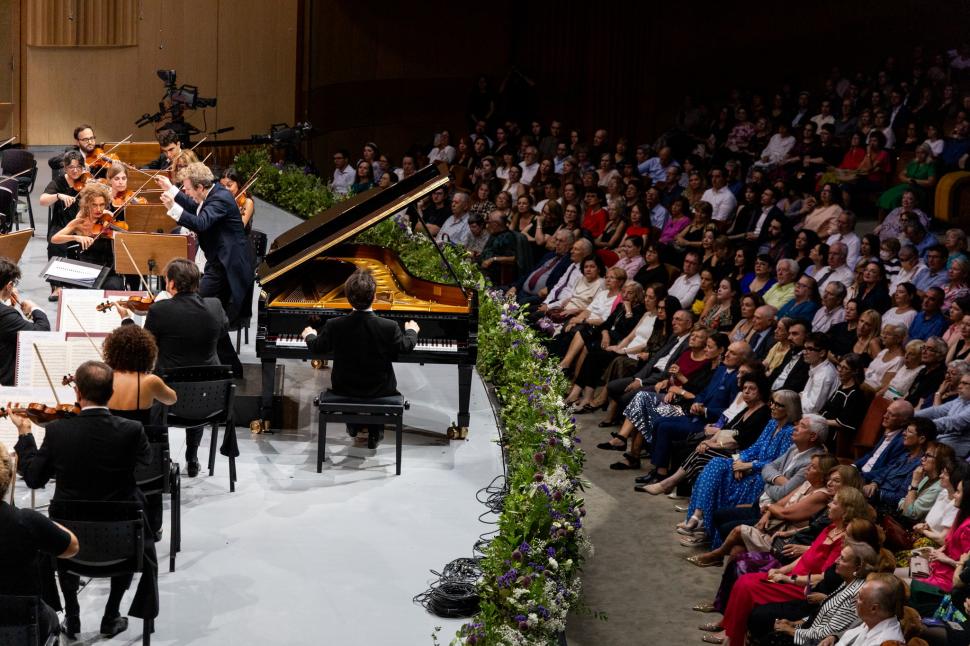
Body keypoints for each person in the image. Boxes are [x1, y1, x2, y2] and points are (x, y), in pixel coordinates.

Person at [11, 361, 156, 639]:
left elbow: (33, 479)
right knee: (133, 519)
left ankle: (73, 617)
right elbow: (145, 463)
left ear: (77, 393)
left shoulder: (57, 432)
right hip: (121, 540)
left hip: (69, 542)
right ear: (111, 392)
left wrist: (25, 433)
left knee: (58, 532)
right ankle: (111, 614)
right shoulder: (132, 430)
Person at [115, 258, 227, 476]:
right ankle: (192, 458)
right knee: (197, 386)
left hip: (169, 401)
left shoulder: (160, 310)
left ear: (172, 284)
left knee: (149, 391)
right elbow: (222, 330)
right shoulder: (215, 306)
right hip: (209, 401)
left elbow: (144, 349)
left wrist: (127, 320)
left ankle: (161, 459)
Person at [301, 269, 419, 448]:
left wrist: (309, 335)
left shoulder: (335, 325)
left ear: (347, 297)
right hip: (380, 390)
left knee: (352, 383)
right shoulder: (389, 326)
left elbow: (318, 347)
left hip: (344, 388)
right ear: (374, 296)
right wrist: (412, 331)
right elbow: (405, 347)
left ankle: (354, 425)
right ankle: (375, 431)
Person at [157, 162, 250, 376]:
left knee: (196, 304)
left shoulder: (220, 199)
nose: (186, 193)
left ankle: (221, 365)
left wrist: (172, 207)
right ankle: (230, 368)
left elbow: (201, 222)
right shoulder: (211, 194)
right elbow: (194, 206)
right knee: (209, 315)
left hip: (227, 267)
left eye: (188, 188)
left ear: (200, 187)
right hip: (217, 263)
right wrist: (170, 188)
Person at [0, 443, 80, 641]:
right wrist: (45, 523)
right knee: (49, 615)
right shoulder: (26, 521)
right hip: (21, 625)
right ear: (8, 477)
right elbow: (72, 547)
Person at [49, 182, 126, 290]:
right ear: (87, 205)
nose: (99, 209)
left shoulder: (108, 219)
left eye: (102, 204)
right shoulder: (79, 222)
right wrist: (76, 237)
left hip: (108, 271)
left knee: (115, 286)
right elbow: (54, 239)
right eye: (94, 205)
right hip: (87, 270)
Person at [0, 257, 50, 385]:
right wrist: (35, 309)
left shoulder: (6, 313)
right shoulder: (6, 315)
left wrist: (6, 304)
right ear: (9, 285)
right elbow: (41, 332)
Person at [831, 574, 906, 645]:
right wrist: (834, 637)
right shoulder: (873, 620)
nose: (854, 600)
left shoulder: (882, 642)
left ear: (873, 608)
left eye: (860, 597)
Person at [916, 372, 970, 458]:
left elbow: (954, 422)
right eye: (960, 382)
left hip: (950, 451)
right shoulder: (961, 399)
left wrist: (924, 425)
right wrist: (911, 416)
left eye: (965, 383)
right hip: (939, 441)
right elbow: (937, 411)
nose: (959, 386)